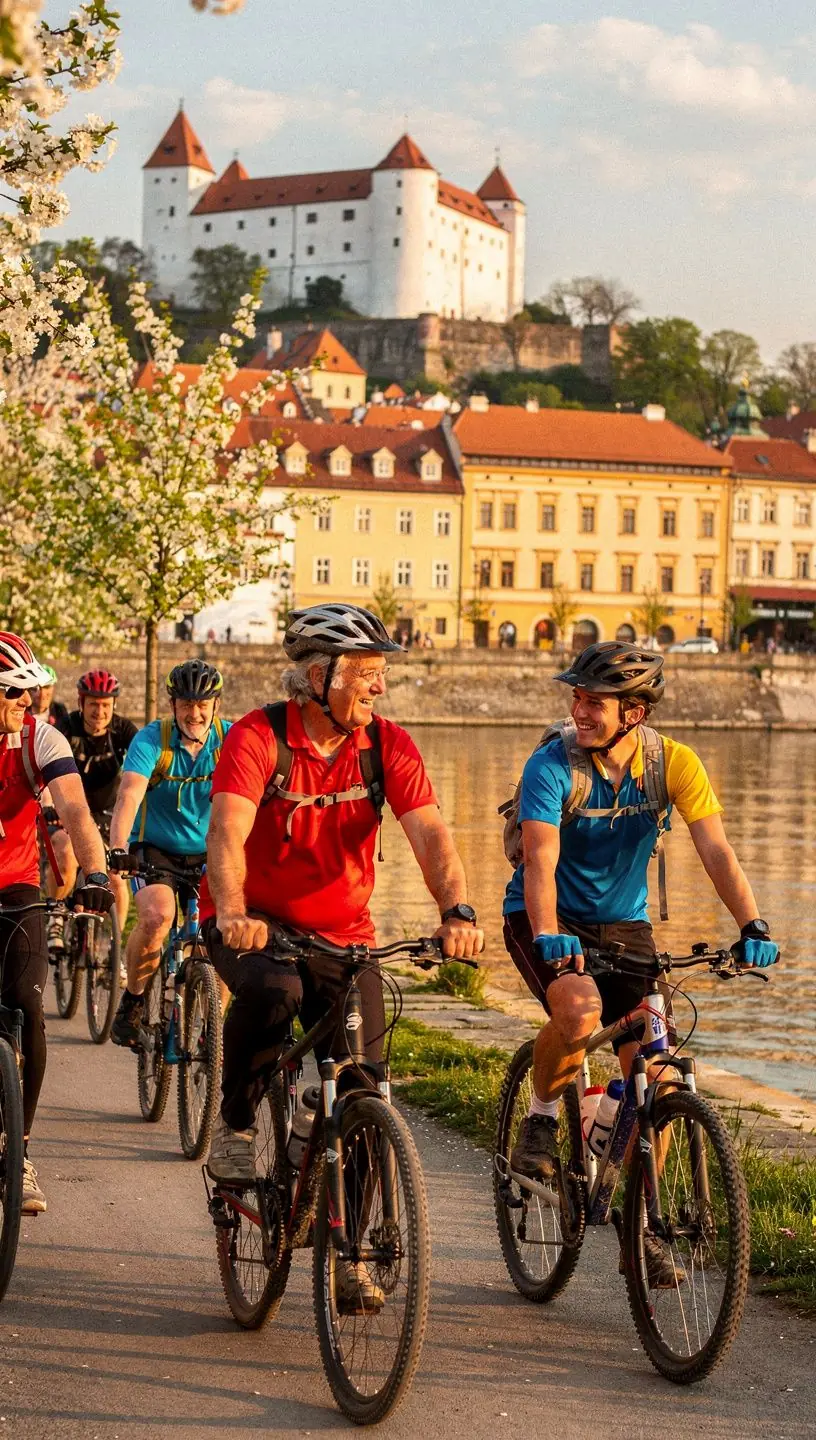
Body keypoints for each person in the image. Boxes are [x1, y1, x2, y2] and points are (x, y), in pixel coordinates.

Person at [201, 603, 483, 1311]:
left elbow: (431, 837)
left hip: (344, 934)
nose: (378, 687)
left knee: (362, 1084)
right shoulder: (257, 736)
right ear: (318, 676)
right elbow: (227, 834)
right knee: (275, 992)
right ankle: (236, 1125)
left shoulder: (387, 745)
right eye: (366, 674)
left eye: (381, 673)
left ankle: (352, 1254)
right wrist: (233, 913)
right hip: (255, 925)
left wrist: (457, 912)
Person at [502, 641, 778, 1285]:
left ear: (635, 711)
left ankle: (641, 1229)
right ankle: (541, 1120)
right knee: (577, 1010)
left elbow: (716, 848)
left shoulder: (673, 763)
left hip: (626, 924)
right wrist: (547, 934)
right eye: (576, 698)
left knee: (660, 1076)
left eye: (592, 701)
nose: (579, 710)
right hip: (546, 915)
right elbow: (539, 863)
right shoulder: (551, 766)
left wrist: (751, 923)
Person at [0, 633, 114, 1213]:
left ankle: (18, 1152)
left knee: (27, 1006)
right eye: (13, 694)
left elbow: (73, 806)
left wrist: (94, 872)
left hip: (18, 887)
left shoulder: (37, 737)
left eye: (28, 692)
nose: (26, 701)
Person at [108, 660, 229, 1047]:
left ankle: (215, 1031)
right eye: (185, 704)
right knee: (158, 916)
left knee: (225, 935)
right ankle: (134, 1002)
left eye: (202, 705)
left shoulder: (231, 740)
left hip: (212, 852)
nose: (194, 714)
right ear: (173, 704)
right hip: (155, 850)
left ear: (216, 705)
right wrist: (117, 848)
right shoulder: (152, 740)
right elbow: (129, 794)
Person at [44, 670, 137, 947]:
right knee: (65, 852)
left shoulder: (123, 731)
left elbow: (142, 771)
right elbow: (45, 774)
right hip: (66, 810)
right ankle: (57, 913)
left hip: (107, 814)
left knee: (117, 881)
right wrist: (49, 807)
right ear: (81, 702)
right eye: (93, 704)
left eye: (106, 705)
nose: (100, 711)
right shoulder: (65, 728)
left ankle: (116, 948)